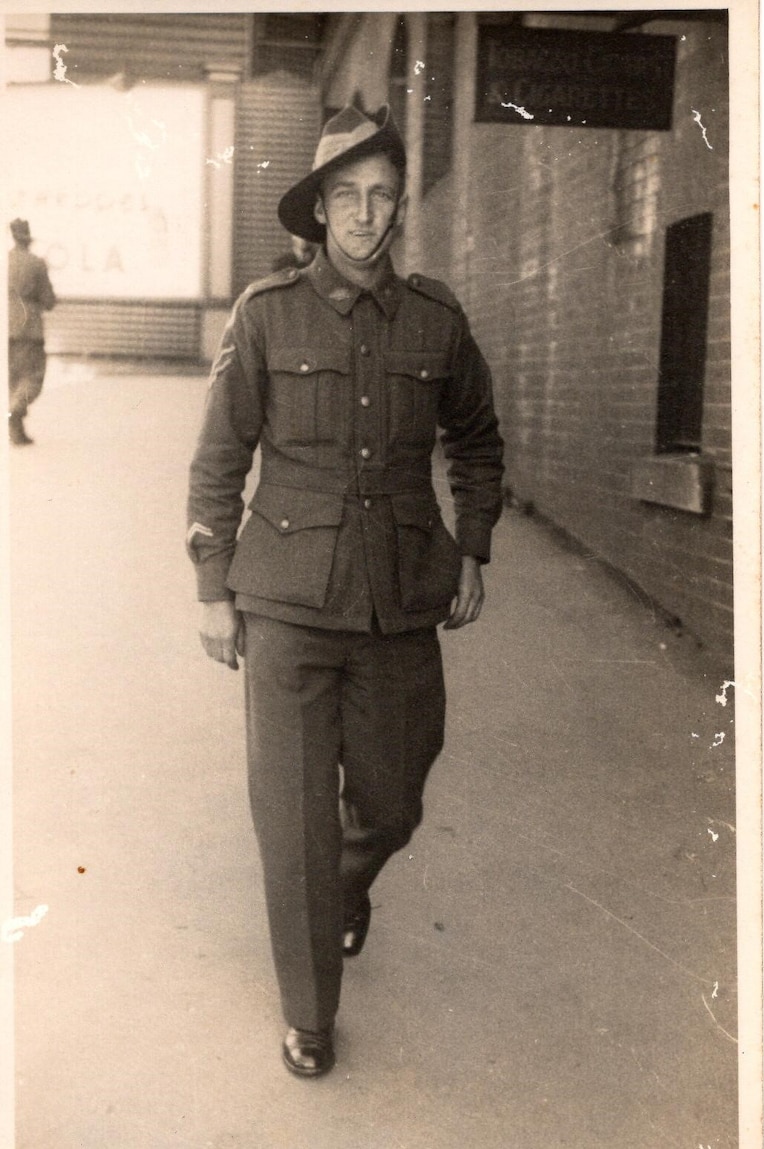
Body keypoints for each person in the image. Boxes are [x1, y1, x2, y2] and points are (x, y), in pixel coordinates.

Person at [186, 104, 504, 1078]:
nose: (365, 216)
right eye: (345, 198)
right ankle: (310, 1015)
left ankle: (347, 887)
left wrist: (475, 545)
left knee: (393, 798)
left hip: (401, 596)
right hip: (283, 600)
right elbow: (217, 458)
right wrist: (211, 586)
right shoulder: (266, 314)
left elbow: (477, 441)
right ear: (318, 211)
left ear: (399, 207)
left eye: (380, 196)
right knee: (292, 825)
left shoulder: (436, 321)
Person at [7, 218, 56, 446]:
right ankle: (14, 413)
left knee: (11, 379)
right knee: (33, 378)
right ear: (28, 238)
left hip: (6, 328)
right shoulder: (36, 263)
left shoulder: (5, 261)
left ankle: (16, 430)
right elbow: (48, 301)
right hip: (29, 330)